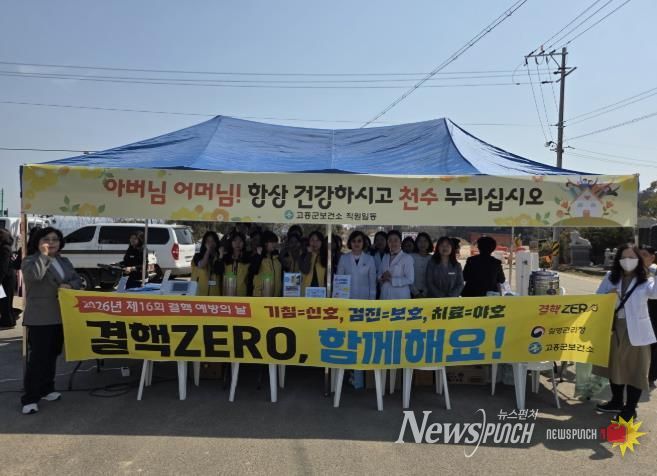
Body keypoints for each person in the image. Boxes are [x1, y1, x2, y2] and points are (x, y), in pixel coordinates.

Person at [21, 227, 81, 415]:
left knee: (53, 353)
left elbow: (77, 280)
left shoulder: (64, 261)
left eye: (55, 239)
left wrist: (69, 285)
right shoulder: (30, 261)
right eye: (46, 239)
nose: (51, 242)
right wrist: (44, 256)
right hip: (40, 317)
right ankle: (30, 397)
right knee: (38, 358)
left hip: (61, 315)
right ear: (38, 242)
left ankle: (47, 388)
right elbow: (35, 276)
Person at [594, 244, 657, 422]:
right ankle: (616, 401)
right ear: (618, 259)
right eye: (623, 257)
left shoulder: (646, 279)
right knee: (615, 367)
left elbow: (655, 293)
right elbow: (597, 298)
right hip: (614, 327)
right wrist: (608, 295)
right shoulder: (610, 276)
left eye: (632, 257)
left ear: (638, 259)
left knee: (635, 370)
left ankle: (630, 409)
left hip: (636, 330)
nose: (627, 261)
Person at [337, 230, 377, 300]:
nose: (356, 243)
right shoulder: (343, 258)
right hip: (347, 298)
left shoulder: (370, 259)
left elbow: (372, 282)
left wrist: (372, 299)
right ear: (350, 243)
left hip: (364, 298)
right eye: (354, 241)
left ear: (363, 243)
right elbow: (339, 280)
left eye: (359, 241)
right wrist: (340, 298)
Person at [638, 245, 657, 386]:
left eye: (644, 255)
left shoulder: (653, 270)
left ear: (652, 257)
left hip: (654, 310)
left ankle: (651, 376)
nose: (640, 258)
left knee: (654, 344)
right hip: (642, 311)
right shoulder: (632, 272)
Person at [378, 230, 414, 300]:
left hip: (400, 296)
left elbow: (410, 279)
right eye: (390, 240)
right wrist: (382, 277)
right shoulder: (385, 256)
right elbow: (379, 274)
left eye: (395, 240)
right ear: (387, 243)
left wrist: (391, 279)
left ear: (400, 242)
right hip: (385, 294)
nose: (393, 243)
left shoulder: (407, 258)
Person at [249, 230, 282, 297]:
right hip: (261, 297)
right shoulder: (258, 256)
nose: (274, 244)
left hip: (276, 297)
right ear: (265, 243)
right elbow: (253, 271)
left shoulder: (277, 258)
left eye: (275, 242)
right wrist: (258, 256)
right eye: (271, 242)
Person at [217, 232, 251, 296]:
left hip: (242, 294)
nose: (238, 243)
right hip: (227, 294)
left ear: (244, 243)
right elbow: (218, 271)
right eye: (235, 240)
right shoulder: (225, 257)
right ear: (231, 242)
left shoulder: (247, 258)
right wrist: (221, 256)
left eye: (240, 241)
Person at [191, 231, 223, 296]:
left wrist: (220, 256)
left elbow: (218, 271)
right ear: (204, 243)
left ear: (216, 243)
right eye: (208, 241)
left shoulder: (219, 257)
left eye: (213, 241)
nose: (210, 243)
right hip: (199, 294)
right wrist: (208, 251)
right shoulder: (197, 256)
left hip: (215, 295)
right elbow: (202, 265)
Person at [299, 230, 327, 295]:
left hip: (320, 292)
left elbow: (328, 277)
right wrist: (309, 254)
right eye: (312, 240)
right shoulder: (303, 256)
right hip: (305, 292)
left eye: (318, 240)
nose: (315, 243)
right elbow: (305, 271)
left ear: (322, 242)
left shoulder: (326, 256)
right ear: (308, 241)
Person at [0, 228, 17, 328]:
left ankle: (8, 321)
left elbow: (3, 267)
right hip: (5, 278)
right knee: (4, 301)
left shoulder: (4, 248)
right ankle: (8, 320)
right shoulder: (5, 247)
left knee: (5, 302)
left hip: (6, 279)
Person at [410, 232, 433, 298]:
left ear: (429, 243)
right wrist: (416, 293)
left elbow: (433, 279)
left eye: (425, 241)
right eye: (420, 241)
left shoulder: (432, 259)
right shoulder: (410, 257)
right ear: (416, 243)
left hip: (428, 293)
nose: (422, 243)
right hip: (412, 293)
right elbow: (407, 276)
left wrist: (424, 293)